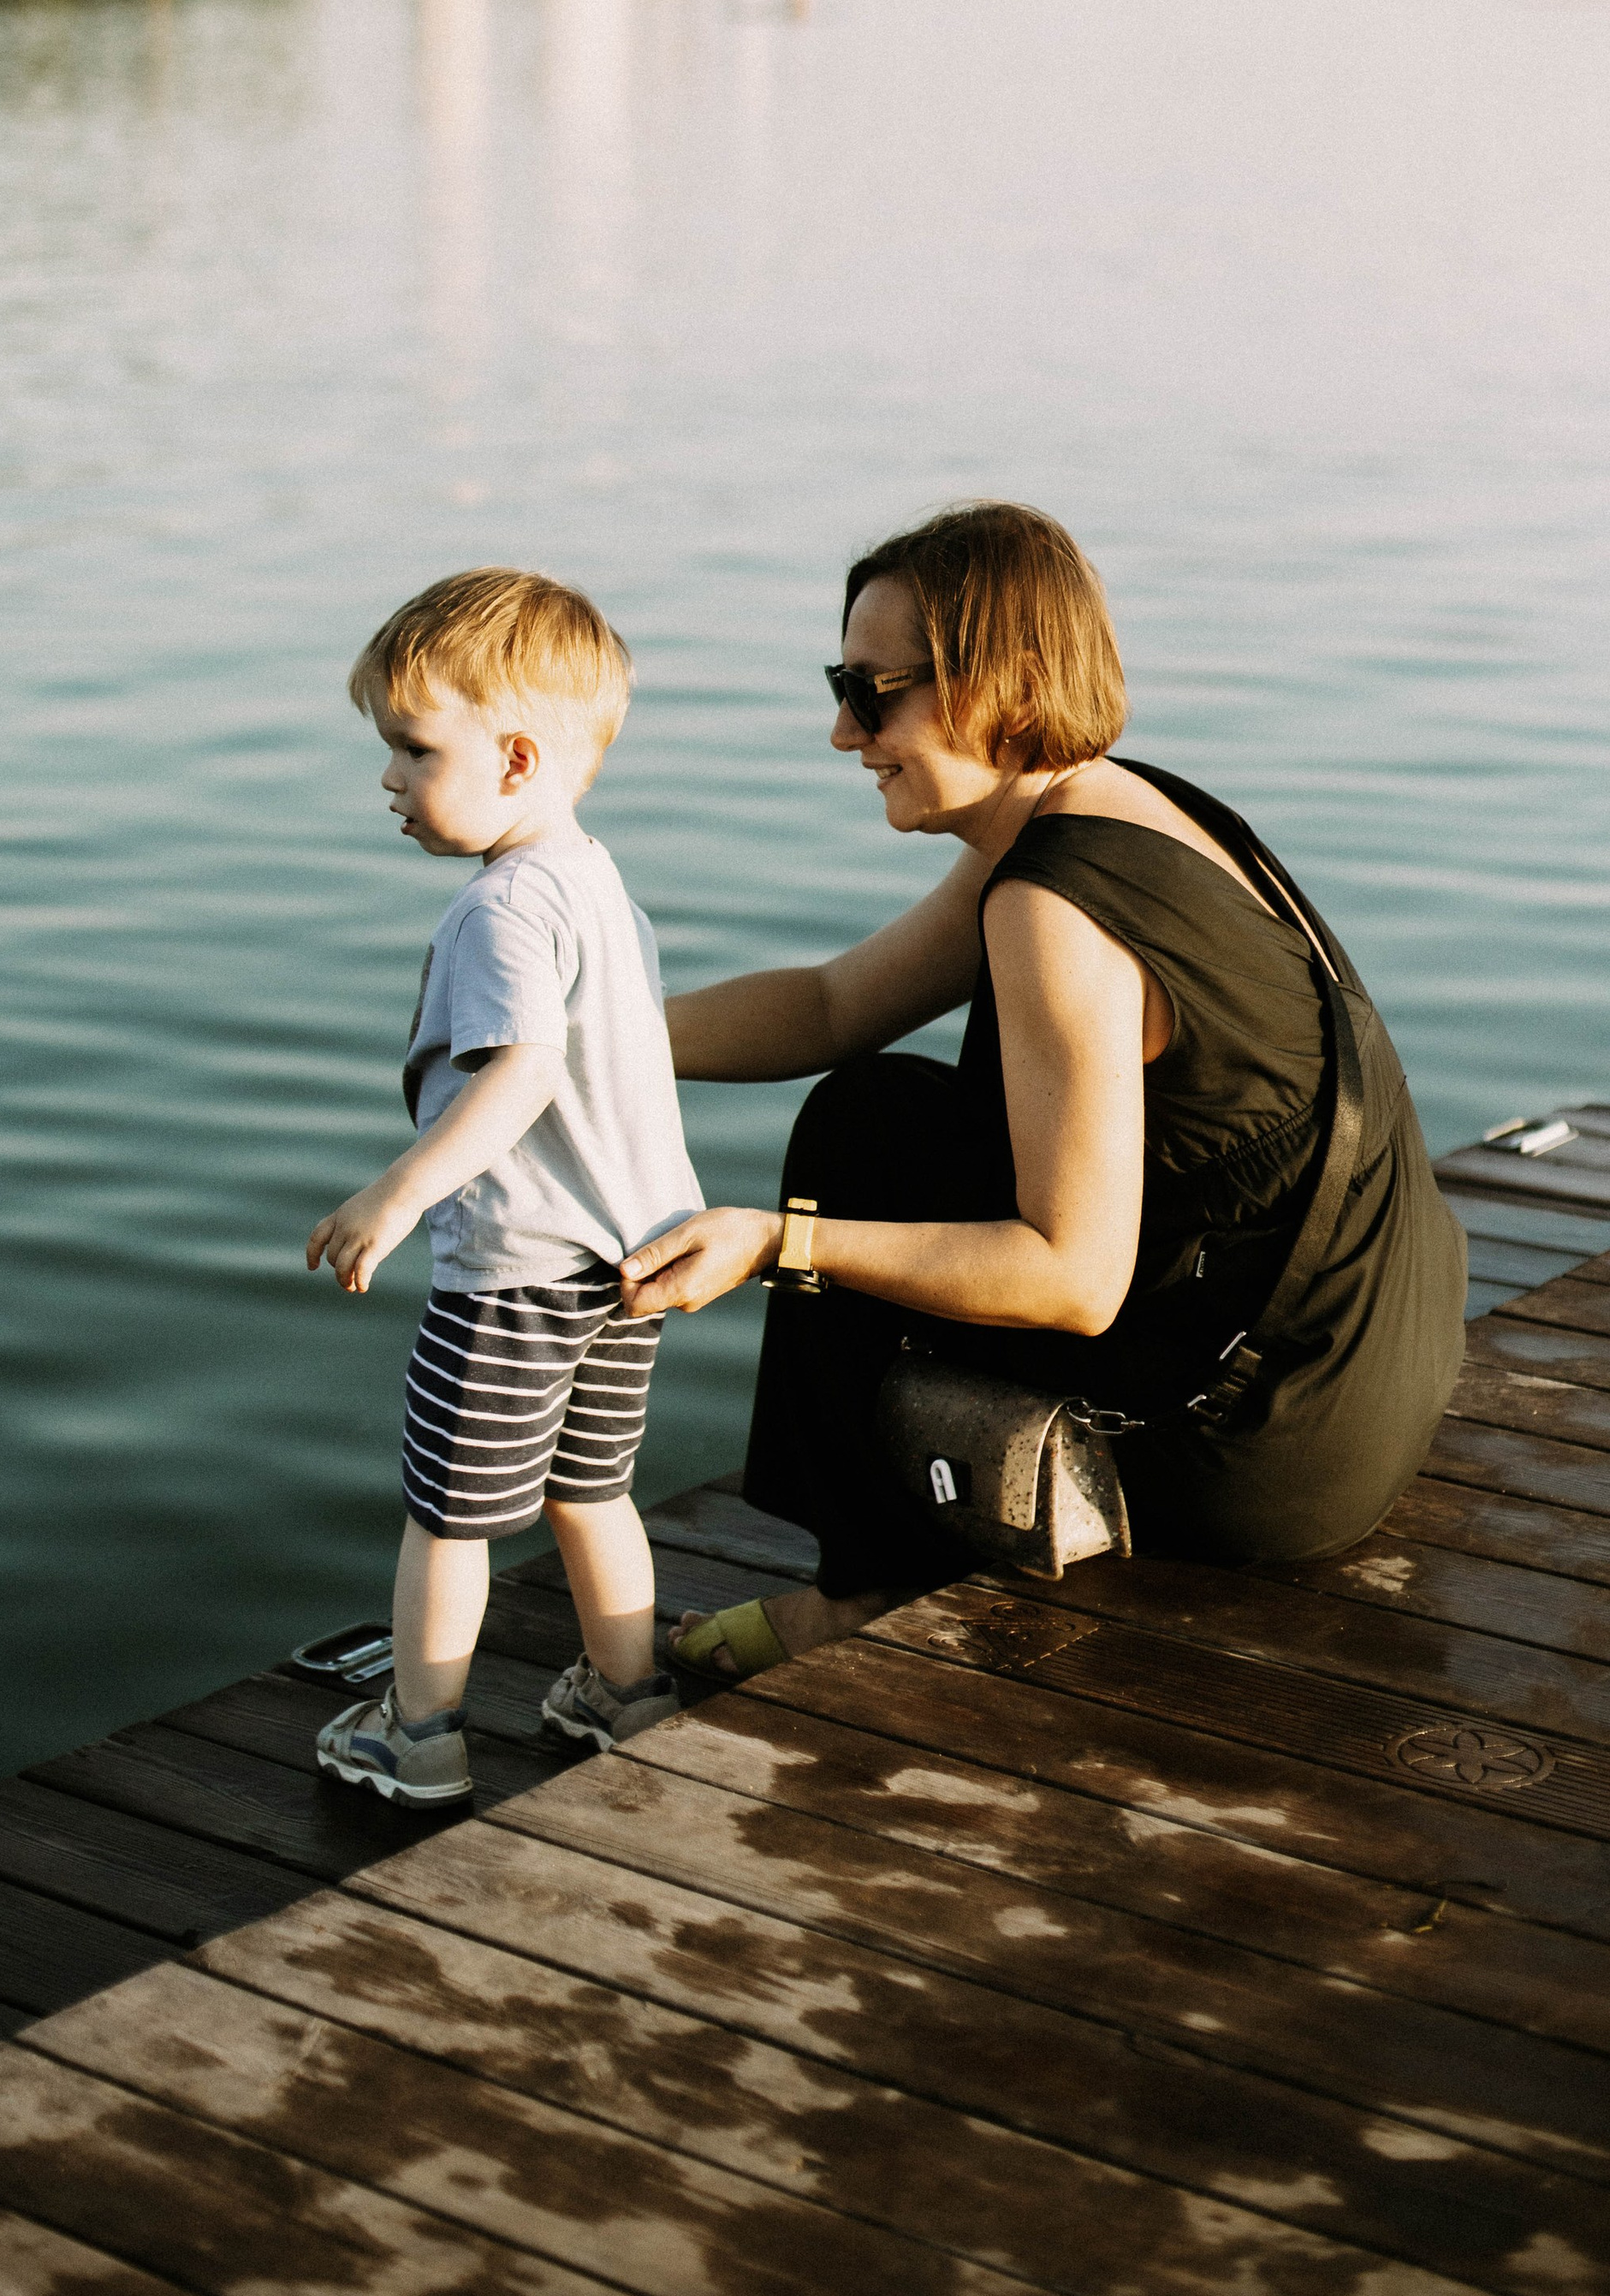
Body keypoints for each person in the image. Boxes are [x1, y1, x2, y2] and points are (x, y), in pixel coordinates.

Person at [620, 501, 1467, 1685]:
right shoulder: (1117, 808)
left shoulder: (1053, 908)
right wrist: (581, 1046)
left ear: (1002, 683)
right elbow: (829, 1006)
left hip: (1259, 1456)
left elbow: (1071, 1279)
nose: (840, 731)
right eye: (840, 683)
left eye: (873, 691)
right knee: (879, 1104)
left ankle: (853, 1595)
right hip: (1361, 1383)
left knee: (856, 1148)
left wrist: (776, 1243)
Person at [308, 567, 698, 1804]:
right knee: (594, 1492)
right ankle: (626, 1693)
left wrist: (399, 1194)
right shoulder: (599, 885)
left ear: (517, 759)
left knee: (449, 1515)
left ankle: (416, 1733)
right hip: (628, 1257)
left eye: (414, 750)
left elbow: (522, 1077)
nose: (389, 781)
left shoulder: (500, 909)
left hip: (519, 1271)